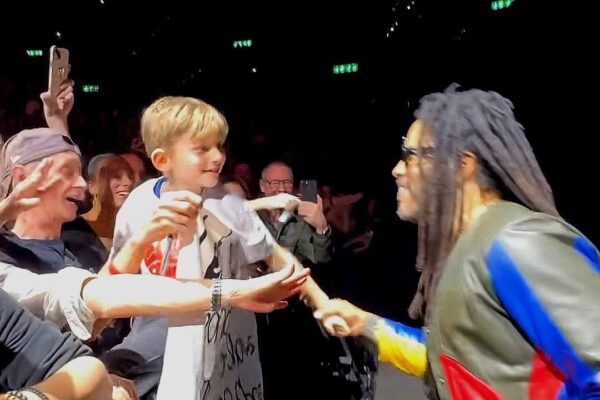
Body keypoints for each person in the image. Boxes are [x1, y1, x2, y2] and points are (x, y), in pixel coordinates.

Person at [315, 85, 600, 399]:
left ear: (463, 165)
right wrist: (366, 324)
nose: (396, 169)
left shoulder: (516, 240)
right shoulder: (469, 245)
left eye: (410, 156)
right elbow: (450, 364)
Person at [106, 96, 334, 400]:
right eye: (201, 149)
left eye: (219, 146)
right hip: (160, 346)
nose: (217, 157)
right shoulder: (139, 204)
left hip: (229, 353)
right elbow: (114, 279)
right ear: (162, 160)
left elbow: (275, 254)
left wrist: (322, 303)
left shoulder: (229, 205)